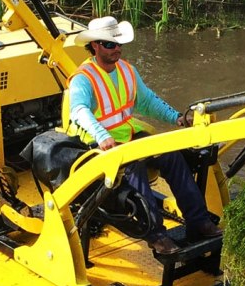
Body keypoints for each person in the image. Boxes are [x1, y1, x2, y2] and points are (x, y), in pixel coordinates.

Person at [67, 16, 222, 255]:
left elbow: (147, 101)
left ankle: (199, 220)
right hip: (95, 145)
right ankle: (156, 236)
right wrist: (101, 135)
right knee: (135, 169)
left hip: (127, 136)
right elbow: (79, 111)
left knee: (171, 156)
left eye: (118, 44)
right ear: (95, 46)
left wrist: (177, 118)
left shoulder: (128, 71)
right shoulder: (83, 79)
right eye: (110, 44)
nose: (116, 48)